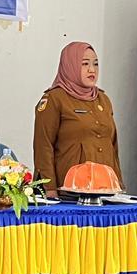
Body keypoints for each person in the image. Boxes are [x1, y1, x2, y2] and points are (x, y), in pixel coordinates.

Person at [33, 41, 121, 197]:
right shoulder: (54, 98)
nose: (92, 69)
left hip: (104, 189)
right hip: (68, 191)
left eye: (95, 64)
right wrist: (49, 188)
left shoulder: (103, 100)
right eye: (85, 64)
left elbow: (112, 146)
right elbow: (43, 146)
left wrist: (117, 184)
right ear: (70, 65)